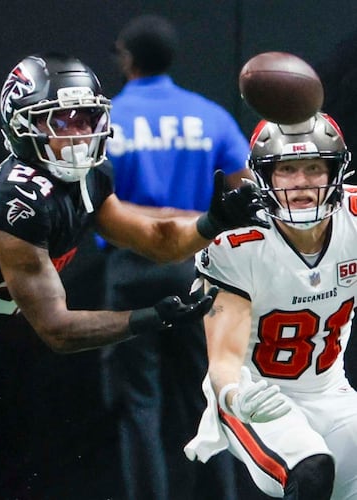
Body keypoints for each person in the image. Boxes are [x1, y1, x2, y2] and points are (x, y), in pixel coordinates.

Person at [0, 52, 268, 499]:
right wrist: (153, 317)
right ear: (23, 126)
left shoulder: (87, 179)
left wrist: (211, 223)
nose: (80, 134)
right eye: (63, 121)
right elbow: (57, 330)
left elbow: (155, 237)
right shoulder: (15, 204)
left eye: (87, 118)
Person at [102, 14, 252, 500]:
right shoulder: (209, 116)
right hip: (199, 267)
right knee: (207, 398)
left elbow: (92, 201)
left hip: (129, 268)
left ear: (126, 58)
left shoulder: (106, 120)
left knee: (138, 406)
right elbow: (243, 190)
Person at [184, 112, 357, 499]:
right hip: (257, 396)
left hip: (331, 391)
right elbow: (224, 361)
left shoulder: (353, 220)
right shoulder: (238, 244)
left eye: (314, 168)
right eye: (287, 169)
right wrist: (235, 395)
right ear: (264, 177)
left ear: (335, 172)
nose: (300, 182)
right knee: (311, 470)